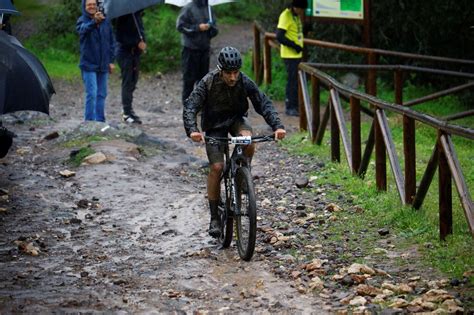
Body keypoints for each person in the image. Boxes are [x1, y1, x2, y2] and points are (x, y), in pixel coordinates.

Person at [183, 47, 286, 238]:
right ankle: (214, 217)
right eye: (228, 73)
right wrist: (193, 130)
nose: (232, 77)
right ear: (220, 70)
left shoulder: (244, 81)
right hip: (214, 125)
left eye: (235, 73)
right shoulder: (208, 82)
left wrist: (277, 126)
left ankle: (242, 172)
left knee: (248, 139)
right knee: (216, 167)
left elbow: (263, 103)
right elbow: (190, 106)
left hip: (237, 119)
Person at [76, 0, 115, 122]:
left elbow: (111, 42)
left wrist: (111, 60)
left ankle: (100, 121)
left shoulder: (106, 21)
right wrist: (94, 22)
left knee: (102, 94)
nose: (91, 6)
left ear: (97, 5)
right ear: (85, 6)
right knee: (92, 94)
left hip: (103, 63)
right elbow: (82, 30)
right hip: (88, 64)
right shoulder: (82, 20)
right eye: (89, 5)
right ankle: (89, 122)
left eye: (93, 4)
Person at [176, 0, 218, 104]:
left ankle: (200, 106)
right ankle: (187, 106)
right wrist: (197, 27)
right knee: (189, 81)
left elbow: (215, 31)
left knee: (203, 81)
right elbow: (180, 26)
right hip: (190, 50)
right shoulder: (188, 8)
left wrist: (211, 28)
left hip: (204, 49)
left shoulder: (209, 9)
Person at [113, 11, 146, 124]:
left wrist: (143, 43)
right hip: (124, 53)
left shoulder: (137, 14)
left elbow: (140, 32)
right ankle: (126, 113)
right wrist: (137, 43)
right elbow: (120, 37)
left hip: (135, 54)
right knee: (127, 82)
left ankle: (128, 109)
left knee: (133, 81)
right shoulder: (122, 16)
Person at [276, 0, 308, 116]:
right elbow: (279, 36)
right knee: (292, 81)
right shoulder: (286, 16)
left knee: (296, 81)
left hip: (297, 55)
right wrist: (294, 46)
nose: (301, 12)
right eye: (300, 9)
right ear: (295, 7)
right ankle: (290, 107)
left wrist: (306, 29)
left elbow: (295, 32)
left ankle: (295, 106)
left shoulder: (295, 16)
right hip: (290, 55)